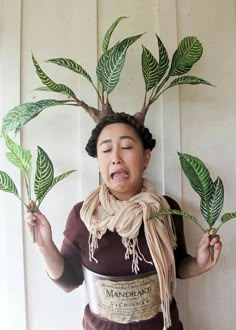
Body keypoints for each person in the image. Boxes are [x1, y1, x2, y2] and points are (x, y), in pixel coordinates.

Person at [24, 112, 222, 330]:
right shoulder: (83, 216)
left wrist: (200, 264)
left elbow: (178, 266)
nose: (116, 158)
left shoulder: (166, 210)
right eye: (107, 150)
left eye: (126, 147)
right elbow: (68, 281)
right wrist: (43, 245)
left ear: (146, 157)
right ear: (99, 162)